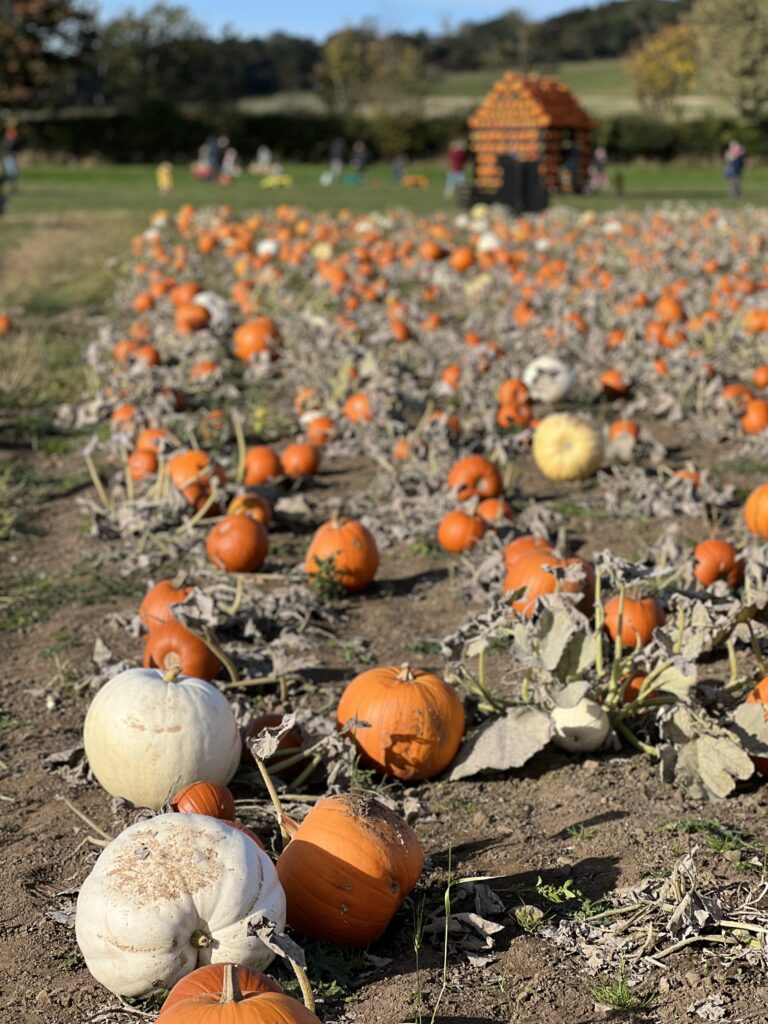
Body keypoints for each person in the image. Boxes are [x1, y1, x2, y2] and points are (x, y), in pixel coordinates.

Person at [1, 122, 20, 192]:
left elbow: (15, 150)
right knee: (8, 173)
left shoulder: (14, 141)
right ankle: (6, 187)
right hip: (7, 157)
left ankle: (12, 187)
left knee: (13, 173)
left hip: (11, 157)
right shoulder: (5, 140)